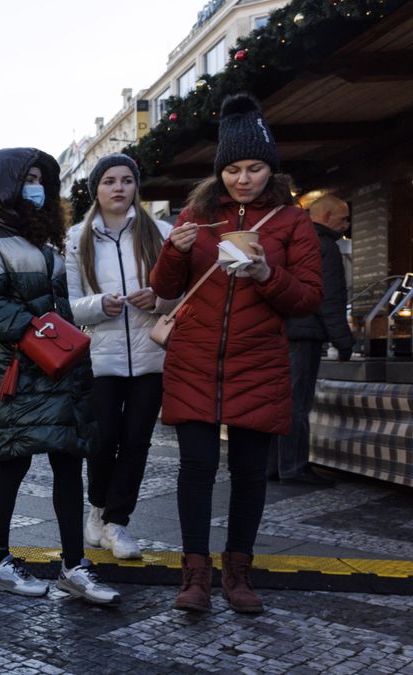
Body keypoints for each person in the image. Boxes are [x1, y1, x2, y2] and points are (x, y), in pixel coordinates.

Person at [151, 94, 322, 614]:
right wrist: (173, 250)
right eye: (232, 169)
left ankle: (239, 573)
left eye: (253, 168)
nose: (242, 179)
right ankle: (195, 576)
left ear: (270, 169)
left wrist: (267, 275)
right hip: (195, 359)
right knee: (196, 469)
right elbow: (163, 289)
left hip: (259, 362)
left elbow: (309, 298)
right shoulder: (197, 215)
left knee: (249, 473)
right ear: (219, 171)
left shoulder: (293, 222)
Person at [0, 147, 119, 606]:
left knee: (69, 463)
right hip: (17, 372)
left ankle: (73, 566)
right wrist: (36, 329)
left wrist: (59, 335)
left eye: (40, 179)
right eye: (27, 178)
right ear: (3, 185)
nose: (37, 186)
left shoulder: (42, 241)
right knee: (14, 464)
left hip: (58, 370)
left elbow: (58, 304)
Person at [66, 153, 173, 560]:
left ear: (136, 186)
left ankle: (117, 521)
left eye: (126, 180)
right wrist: (100, 305)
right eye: (109, 180)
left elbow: (182, 294)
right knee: (103, 439)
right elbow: (71, 305)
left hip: (151, 356)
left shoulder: (160, 232)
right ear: (97, 188)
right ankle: (97, 509)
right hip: (100, 357)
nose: (118, 188)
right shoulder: (77, 238)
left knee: (136, 442)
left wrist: (159, 298)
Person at [269, 194, 353, 486]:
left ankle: (274, 466)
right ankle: (294, 466)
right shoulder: (325, 246)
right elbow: (328, 298)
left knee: (280, 401)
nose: (347, 225)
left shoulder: (295, 240)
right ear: (327, 217)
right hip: (304, 334)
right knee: (297, 403)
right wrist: (344, 341)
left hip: (284, 331)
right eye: (343, 219)